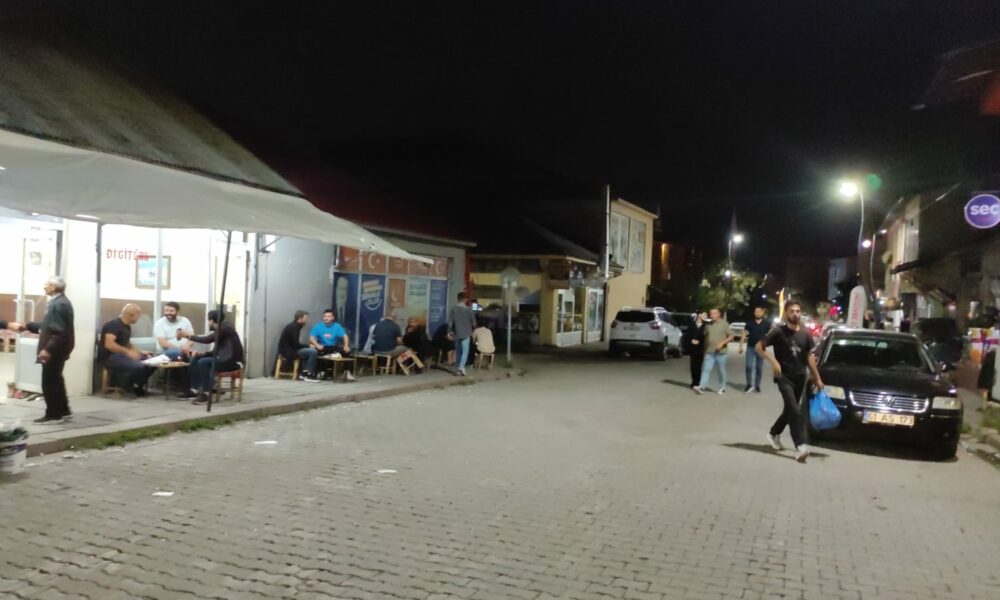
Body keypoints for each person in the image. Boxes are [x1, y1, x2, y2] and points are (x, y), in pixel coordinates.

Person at [756, 299, 824, 463]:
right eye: (792, 311)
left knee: (789, 410)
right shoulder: (778, 331)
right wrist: (774, 362)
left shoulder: (806, 334)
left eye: (798, 311)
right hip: (783, 377)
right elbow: (759, 347)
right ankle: (801, 446)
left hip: (800, 377)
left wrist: (817, 377)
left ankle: (773, 433)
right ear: (786, 313)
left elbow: (809, 356)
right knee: (795, 410)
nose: (795, 314)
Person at [16, 276, 75, 423]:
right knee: (56, 380)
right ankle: (64, 411)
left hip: (54, 350)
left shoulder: (58, 304)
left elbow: (59, 332)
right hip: (58, 348)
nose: (44, 286)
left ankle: (53, 415)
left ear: (53, 287)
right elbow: (48, 327)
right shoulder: (59, 302)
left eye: (46, 284)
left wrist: (48, 349)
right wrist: (28, 326)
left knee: (49, 382)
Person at [178, 310, 245, 404]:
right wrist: (201, 354)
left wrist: (187, 336)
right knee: (197, 359)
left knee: (204, 362)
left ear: (212, 321)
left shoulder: (225, 328)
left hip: (232, 362)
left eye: (208, 321)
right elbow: (215, 352)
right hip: (224, 360)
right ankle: (194, 390)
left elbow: (207, 340)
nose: (208, 323)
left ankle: (206, 394)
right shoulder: (221, 331)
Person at [99, 304, 156, 397]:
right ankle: (127, 387)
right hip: (110, 357)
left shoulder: (127, 326)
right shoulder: (113, 325)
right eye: (138, 315)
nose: (139, 318)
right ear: (131, 315)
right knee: (141, 366)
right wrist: (128, 352)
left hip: (122, 355)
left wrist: (141, 352)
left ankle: (137, 386)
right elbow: (109, 345)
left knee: (152, 362)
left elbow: (127, 343)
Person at [694, 308, 732, 394]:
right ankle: (701, 387)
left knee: (721, 371)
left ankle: (722, 387)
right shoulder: (708, 324)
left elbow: (731, 336)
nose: (713, 315)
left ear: (719, 314)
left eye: (715, 313)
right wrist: (703, 349)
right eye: (711, 314)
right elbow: (705, 337)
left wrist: (722, 343)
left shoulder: (724, 324)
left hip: (721, 352)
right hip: (710, 351)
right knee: (706, 369)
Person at [278, 310, 320, 382]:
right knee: (313, 352)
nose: (306, 321)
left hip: (288, 350)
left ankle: (303, 374)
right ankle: (309, 374)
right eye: (305, 319)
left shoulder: (293, 326)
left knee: (307, 352)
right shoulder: (294, 328)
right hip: (288, 352)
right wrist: (308, 346)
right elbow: (296, 345)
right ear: (300, 318)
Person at [739, 306, 772, 393]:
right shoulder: (750, 322)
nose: (757, 313)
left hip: (761, 348)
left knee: (759, 368)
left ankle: (757, 385)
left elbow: (771, 333)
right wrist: (741, 346)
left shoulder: (767, 323)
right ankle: (749, 384)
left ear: (762, 313)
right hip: (750, 347)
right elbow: (744, 333)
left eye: (759, 312)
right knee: (748, 366)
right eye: (755, 312)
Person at [449, 292, 477, 376]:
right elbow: (474, 323)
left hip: (457, 333)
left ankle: (458, 368)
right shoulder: (469, 310)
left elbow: (450, 322)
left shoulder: (453, 309)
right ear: (465, 299)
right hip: (466, 333)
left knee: (458, 352)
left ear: (457, 299)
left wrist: (449, 332)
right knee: (465, 352)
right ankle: (462, 367)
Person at [682, 312, 706, 389]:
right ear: (699, 315)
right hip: (692, 348)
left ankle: (697, 383)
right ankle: (693, 382)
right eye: (704, 315)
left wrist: (700, 341)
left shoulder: (705, 326)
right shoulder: (692, 325)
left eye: (706, 315)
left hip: (700, 348)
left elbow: (706, 337)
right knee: (693, 366)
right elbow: (687, 335)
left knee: (698, 366)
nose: (705, 316)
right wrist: (691, 340)